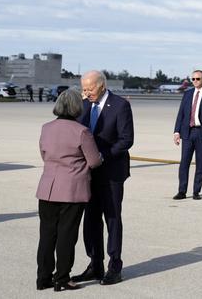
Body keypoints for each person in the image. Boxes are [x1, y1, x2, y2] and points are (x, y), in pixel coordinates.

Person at [36, 88, 102, 291]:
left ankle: (43, 278)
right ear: (77, 108)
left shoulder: (46, 128)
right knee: (67, 235)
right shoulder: (81, 131)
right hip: (72, 190)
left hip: (48, 187)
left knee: (47, 234)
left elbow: (44, 154)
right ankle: (62, 278)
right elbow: (94, 161)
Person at [73, 70, 134, 286]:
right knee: (90, 219)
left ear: (102, 85)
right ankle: (95, 264)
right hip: (88, 172)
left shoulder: (120, 105)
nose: (86, 92)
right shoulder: (85, 104)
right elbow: (76, 129)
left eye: (89, 88)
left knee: (112, 218)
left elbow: (126, 139)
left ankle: (114, 266)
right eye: (83, 88)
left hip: (111, 172)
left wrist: (101, 156)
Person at [172, 70, 202, 200]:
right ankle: (182, 191)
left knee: (200, 163)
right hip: (187, 133)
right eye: (193, 79)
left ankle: (196, 191)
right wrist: (176, 132)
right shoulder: (187, 94)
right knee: (184, 163)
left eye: (198, 79)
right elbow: (181, 114)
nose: (195, 81)